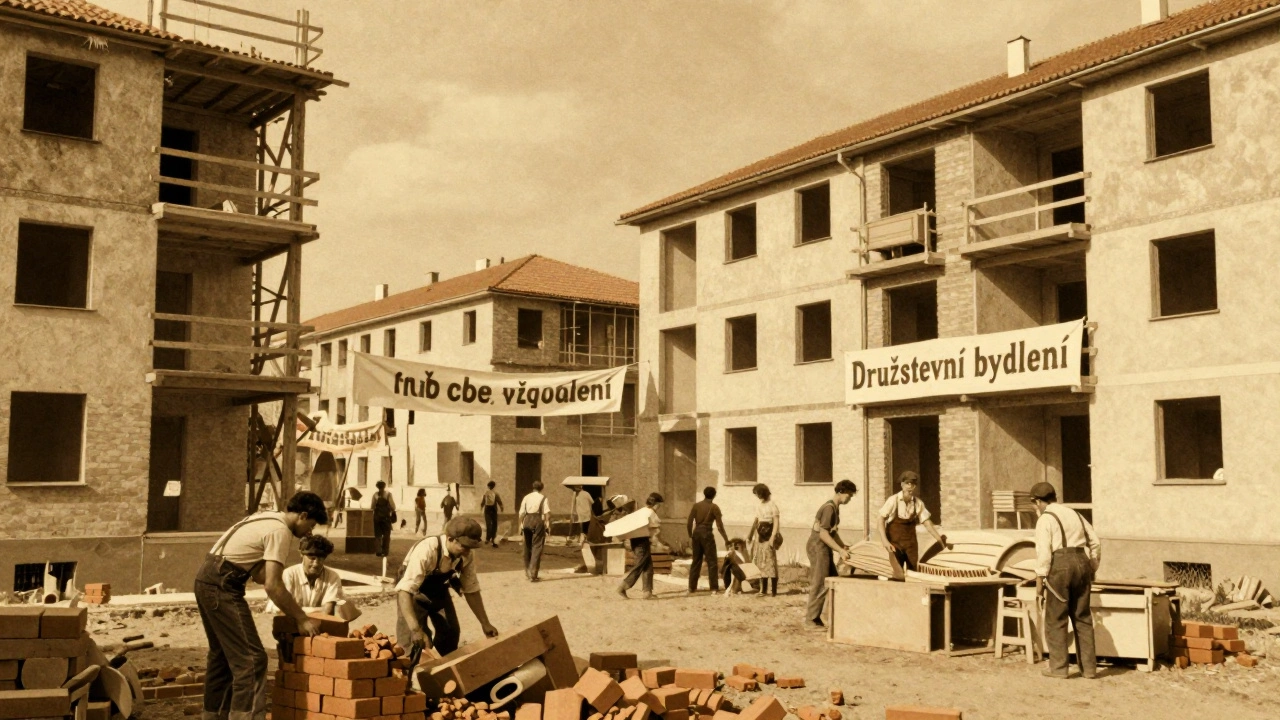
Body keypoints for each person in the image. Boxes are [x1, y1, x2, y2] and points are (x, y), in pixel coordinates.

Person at [196, 492, 327, 720]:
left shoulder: (267, 517)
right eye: (310, 525)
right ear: (303, 515)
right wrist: (301, 618)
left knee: (223, 656)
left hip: (206, 578)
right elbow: (272, 586)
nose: (309, 532)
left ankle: (213, 716)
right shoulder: (280, 531)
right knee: (252, 660)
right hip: (222, 584)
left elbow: (258, 574)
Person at [395, 517, 499, 664]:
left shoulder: (466, 555)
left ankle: (444, 670)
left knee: (450, 633)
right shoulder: (427, 549)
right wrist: (416, 629)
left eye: (471, 547)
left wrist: (485, 623)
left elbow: (471, 590)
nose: (468, 551)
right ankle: (409, 678)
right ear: (451, 539)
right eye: (464, 546)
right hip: (413, 593)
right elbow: (404, 591)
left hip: (438, 589)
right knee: (414, 642)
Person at [1031, 481, 1101, 679]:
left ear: (1038, 502)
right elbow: (1095, 542)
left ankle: (1059, 669)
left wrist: (1039, 583)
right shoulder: (1075, 514)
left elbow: (1044, 553)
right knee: (1083, 618)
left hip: (1060, 566)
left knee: (1056, 619)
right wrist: (1092, 567)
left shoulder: (1045, 519)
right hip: (1082, 562)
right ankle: (1089, 670)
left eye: (1035, 504)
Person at [806, 479, 857, 628]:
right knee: (820, 582)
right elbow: (823, 534)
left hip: (823, 546)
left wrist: (843, 546)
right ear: (841, 492)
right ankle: (810, 620)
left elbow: (832, 533)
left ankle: (821, 616)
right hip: (818, 546)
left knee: (832, 580)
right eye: (849, 495)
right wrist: (840, 551)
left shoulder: (835, 507)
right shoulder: (829, 508)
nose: (850, 498)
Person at [877, 471, 949, 571]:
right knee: (897, 572)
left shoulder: (918, 503)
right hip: (894, 544)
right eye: (907, 483)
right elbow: (880, 519)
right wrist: (885, 541)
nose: (910, 487)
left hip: (911, 545)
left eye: (913, 484)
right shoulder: (893, 500)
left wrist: (939, 540)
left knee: (913, 570)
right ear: (902, 484)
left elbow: (927, 523)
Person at [265, 534, 344, 616]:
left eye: (320, 558)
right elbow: (282, 610)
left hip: (319, 624)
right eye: (312, 558)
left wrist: (296, 610)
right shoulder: (289, 574)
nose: (316, 563)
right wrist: (318, 610)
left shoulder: (332, 576)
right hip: (290, 624)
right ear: (301, 554)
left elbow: (328, 611)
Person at [617, 492, 665, 600]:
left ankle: (647, 592)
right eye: (659, 505)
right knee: (639, 566)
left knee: (648, 567)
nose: (659, 507)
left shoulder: (641, 511)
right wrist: (661, 542)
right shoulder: (651, 513)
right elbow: (656, 530)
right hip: (642, 542)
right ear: (656, 504)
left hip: (635, 541)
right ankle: (622, 587)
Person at [686, 487, 730, 593]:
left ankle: (692, 587)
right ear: (714, 495)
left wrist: (690, 535)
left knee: (696, 561)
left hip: (696, 534)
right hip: (707, 534)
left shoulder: (696, 506)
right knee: (712, 561)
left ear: (704, 494)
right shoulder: (714, 507)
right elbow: (720, 526)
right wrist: (726, 539)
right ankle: (714, 587)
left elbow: (689, 522)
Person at [747, 483, 781, 597]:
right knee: (761, 562)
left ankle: (774, 591)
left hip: (769, 534)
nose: (757, 496)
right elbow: (756, 520)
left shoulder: (772, 505)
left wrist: (772, 537)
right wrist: (750, 535)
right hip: (760, 535)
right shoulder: (759, 505)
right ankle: (763, 589)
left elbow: (776, 522)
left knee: (770, 562)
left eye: (757, 493)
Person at [518, 481, 551, 581]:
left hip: (527, 520)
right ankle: (533, 574)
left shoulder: (526, 497)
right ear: (542, 488)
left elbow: (521, 513)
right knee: (537, 546)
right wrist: (548, 525)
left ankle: (527, 572)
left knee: (527, 546)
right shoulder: (543, 498)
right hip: (538, 520)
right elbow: (547, 513)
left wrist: (520, 525)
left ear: (533, 487)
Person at [371, 481, 396, 558]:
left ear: (377, 487)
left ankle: (378, 551)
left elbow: (372, 507)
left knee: (378, 535)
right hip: (386, 518)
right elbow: (393, 507)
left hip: (377, 518)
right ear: (384, 486)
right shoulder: (388, 495)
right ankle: (385, 551)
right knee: (386, 535)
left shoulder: (375, 495)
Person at [480, 481, 504, 546]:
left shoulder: (486, 493)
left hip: (487, 510)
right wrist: (501, 508)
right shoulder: (496, 493)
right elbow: (499, 501)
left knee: (488, 524)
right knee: (494, 524)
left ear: (488, 486)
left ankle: (487, 539)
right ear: (494, 486)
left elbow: (483, 502)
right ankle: (493, 538)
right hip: (494, 510)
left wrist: (481, 507)